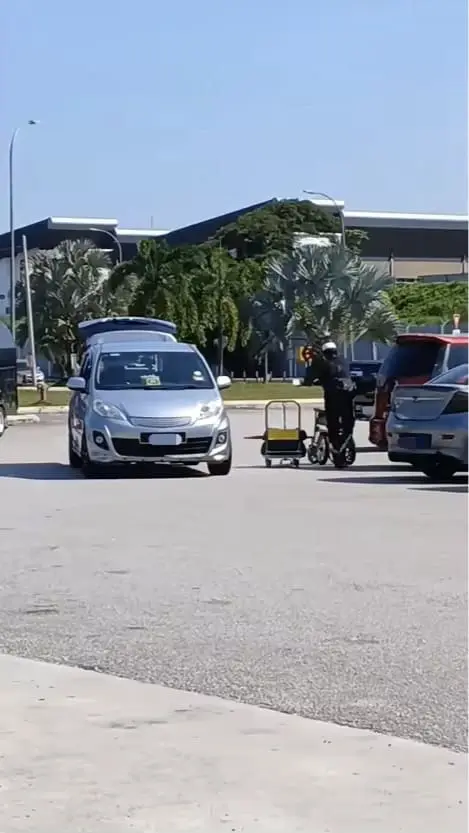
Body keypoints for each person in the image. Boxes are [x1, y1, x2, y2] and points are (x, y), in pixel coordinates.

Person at [307, 341, 356, 455]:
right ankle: (346, 436)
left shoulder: (322, 361)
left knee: (332, 419)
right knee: (348, 418)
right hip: (348, 393)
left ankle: (335, 442)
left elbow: (311, 376)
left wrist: (307, 382)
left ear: (324, 352)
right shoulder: (343, 360)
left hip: (333, 394)